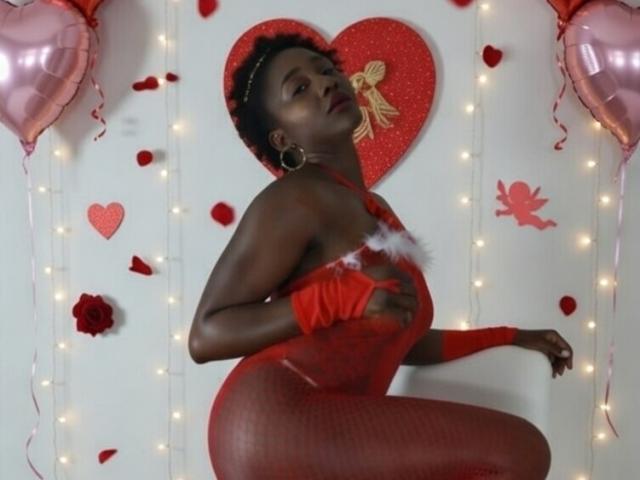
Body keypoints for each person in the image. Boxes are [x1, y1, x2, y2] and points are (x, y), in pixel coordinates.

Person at [189, 32, 573, 479]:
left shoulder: (370, 205)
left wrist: (509, 337)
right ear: (281, 137)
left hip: (326, 416)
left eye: (327, 71)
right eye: (300, 88)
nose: (325, 83)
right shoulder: (294, 199)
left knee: (515, 450)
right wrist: (339, 298)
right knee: (517, 450)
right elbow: (206, 335)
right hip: (276, 417)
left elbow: (404, 339)